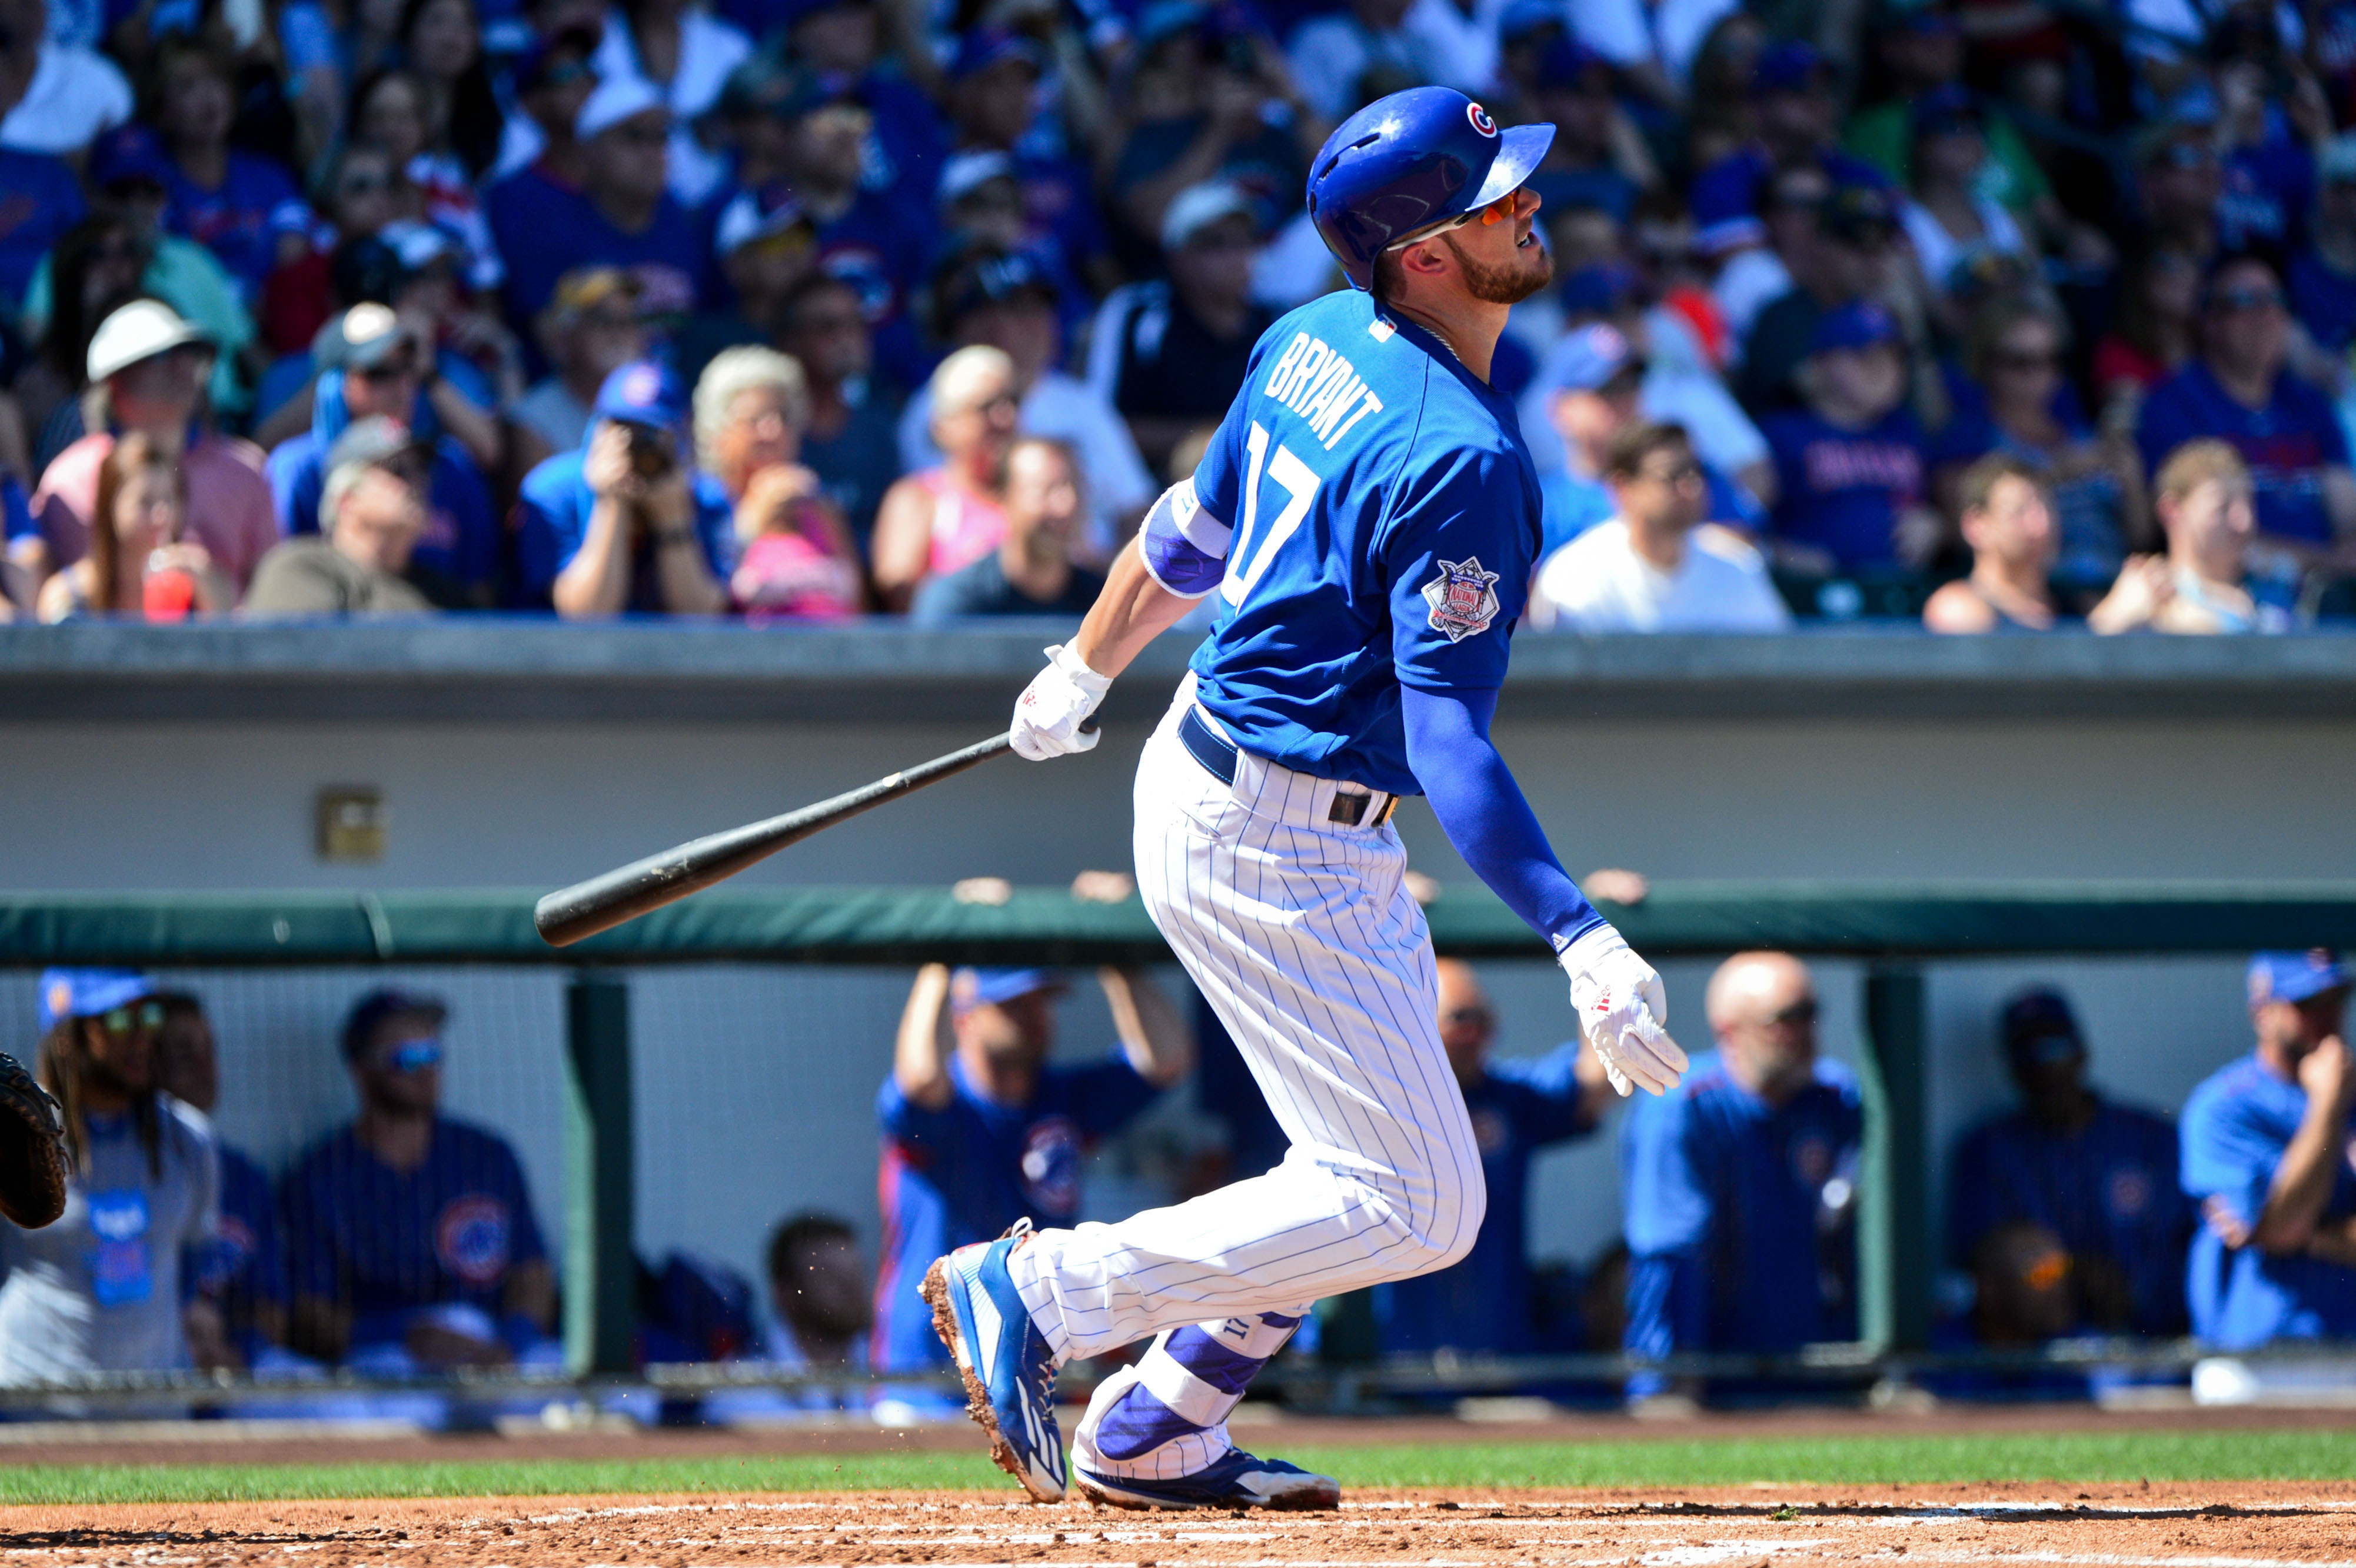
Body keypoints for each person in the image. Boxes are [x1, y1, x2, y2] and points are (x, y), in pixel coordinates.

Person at [944, 86, 1687, 1510]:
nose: (1530, 202)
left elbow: (1186, 537)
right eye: (1494, 197)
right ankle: (1043, 1283)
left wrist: (1085, 666)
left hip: (1224, 782)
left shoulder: (1311, 336)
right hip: (1276, 834)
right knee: (1425, 1201)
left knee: (1350, 1169)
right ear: (1420, 253)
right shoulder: (1460, 455)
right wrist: (1578, 933)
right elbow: (1451, 740)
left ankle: (1158, 1421)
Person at [874, 964, 1193, 1374]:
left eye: (1040, 1002)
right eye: (1012, 1004)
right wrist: (939, 965)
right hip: (930, 1372)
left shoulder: (1059, 1095)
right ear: (965, 1017)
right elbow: (919, 1082)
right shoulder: (947, 1104)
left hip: (1031, 1369)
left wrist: (1117, 960)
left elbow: (1167, 1059)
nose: (1034, 1016)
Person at [279, 988, 557, 1369]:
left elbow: (533, 1275)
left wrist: (511, 1343)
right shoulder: (318, 1177)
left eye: (433, 1054)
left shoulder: (487, 1155)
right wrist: (402, 1331)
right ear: (362, 1071)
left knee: (618, 1395)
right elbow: (312, 1316)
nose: (427, 1070)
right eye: (408, 1058)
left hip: (491, 1342)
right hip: (389, 1356)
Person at [1620, 953, 1861, 1381]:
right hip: (1713, 1373)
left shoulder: (1836, 1097)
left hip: (1819, 1365)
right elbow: (1669, 1250)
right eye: (1787, 1018)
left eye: (1811, 1015)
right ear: (1729, 1030)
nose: (1805, 1033)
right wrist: (1673, 1382)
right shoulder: (1684, 1103)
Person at [1375, 960, 1609, 1356]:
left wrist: (1598, 963)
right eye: (1461, 1018)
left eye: (1483, 1019)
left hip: (1495, 1351)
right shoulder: (1375, 1101)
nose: (1475, 1033)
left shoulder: (1508, 1098)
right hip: (1396, 1355)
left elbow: (1598, 1082)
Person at [0, 971, 218, 1386]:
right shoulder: (18, 1137)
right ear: (68, 1036)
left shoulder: (189, 1137)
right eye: (118, 1021)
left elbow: (194, 1262)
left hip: (156, 1412)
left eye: (148, 1016)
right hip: (35, 1409)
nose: (140, 1036)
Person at [1948, 988, 2190, 1340]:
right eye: (2026, 1056)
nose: (2043, 1066)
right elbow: (1988, 1266)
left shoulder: (2152, 1138)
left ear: (2081, 1052)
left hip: (2160, 1338)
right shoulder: (1988, 1150)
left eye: (2053, 1049)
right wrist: (2072, 1269)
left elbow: (2192, 1243)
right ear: (2012, 1070)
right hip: (2044, 1352)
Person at [897, 245, 1156, 554]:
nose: (1037, 323)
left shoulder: (1081, 402)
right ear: (973, 326)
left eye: (1042, 307)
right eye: (1017, 309)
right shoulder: (938, 409)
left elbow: (1133, 509)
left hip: (1090, 583)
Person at [27, 299, 278, 592]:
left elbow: (268, 592)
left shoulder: (245, 469)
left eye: (190, 352)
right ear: (114, 380)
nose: (182, 366)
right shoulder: (70, 479)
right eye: (161, 355)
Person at [263, 303, 501, 607]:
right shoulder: (299, 468)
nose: (400, 387)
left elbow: (478, 594)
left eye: (409, 370)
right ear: (336, 383)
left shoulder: (448, 463)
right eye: (379, 373)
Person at [2179, 952, 2356, 1349]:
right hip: (2257, 1356)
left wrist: (2314, 1237)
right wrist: (2327, 1104)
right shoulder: (2223, 1106)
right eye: (2307, 1004)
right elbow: (2281, 1227)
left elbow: (2293, 1230)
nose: (2327, 1016)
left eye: (2336, 999)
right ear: (2263, 1011)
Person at [2136, 255, 2356, 567]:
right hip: (2231, 588)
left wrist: (2345, 554)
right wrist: (2326, 562)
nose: (2266, 315)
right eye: (2244, 302)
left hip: (2328, 595)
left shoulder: (2309, 402)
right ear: (2210, 322)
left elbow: (2348, 516)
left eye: (2275, 301)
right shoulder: (2174, 404)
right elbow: (2199, 531)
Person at [492, 75, 711, 335]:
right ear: (588, 153)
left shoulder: (684, 220)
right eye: (635, 136)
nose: (652, 152)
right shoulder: (550, 231)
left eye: (660, 136)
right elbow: (550, 339)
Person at [1085, 182, 1275, 480]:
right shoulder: (1136, 315)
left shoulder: (1279, 319)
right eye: (1216, 243)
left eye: (1245, 240)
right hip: (1155, 489)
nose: (1236, 255)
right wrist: (1212, 440)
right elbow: (1104, 424)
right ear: (1178, 256)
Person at [515, 358, 733, 615]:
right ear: (598, 432)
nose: (638, 449)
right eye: (624, 431)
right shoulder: (552, 491)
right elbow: (588, 615)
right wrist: (611, 503)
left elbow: (702, 619)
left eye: (651, 435)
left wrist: (672, 520)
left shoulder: (707, 497)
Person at [1530, 420, 1789, 633]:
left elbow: (1775, 668)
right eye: (1674, 475)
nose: (1692, 487)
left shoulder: (1736, 567)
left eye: (1696, 471)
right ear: (1623, 488)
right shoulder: (1576, 575)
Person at [153, 992, 291, 1369]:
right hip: (142, 1366)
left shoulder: (244, 1177)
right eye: (184, 1055)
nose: (205, 1066)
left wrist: (231, 1352)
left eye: (209, 1050)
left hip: (235, 1366)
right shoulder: (116, 1171)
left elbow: (272, 1312)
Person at [1758, 301, 1938, 578]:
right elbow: (1743, 532)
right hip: (1811, 600)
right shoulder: (1780, 433)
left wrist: (1934, 526)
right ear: (1821, 363)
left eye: (1895, 357)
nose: (1885, 369)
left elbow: (1937, 509)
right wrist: (1786, 556)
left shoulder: (1907, 430)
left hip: (1897, 594)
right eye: (1866, 357)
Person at [697, 346, 862, 619]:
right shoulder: (703, 504)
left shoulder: (821, 510)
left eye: (784, 417)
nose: (774, 431)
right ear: (717, 432)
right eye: (756, 420)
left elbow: (857, 610)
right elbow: (709, 607)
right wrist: (755, 519)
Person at [870, 345, 1016, 612]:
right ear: (944, 425)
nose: (1005, 418)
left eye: (1011, 402)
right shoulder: (920, 498)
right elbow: (900, 593)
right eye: (987, 407)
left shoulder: (1044, 497)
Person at [245, 418, 438, 615]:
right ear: (347, 500)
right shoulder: (302, 568)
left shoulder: (440, 590)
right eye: (398, 470)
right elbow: (299, 644)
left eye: (422, 469)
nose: (417, 482)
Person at [2092, 440, 2286, 635]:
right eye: (2222, 508)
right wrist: (2121, 615)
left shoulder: (2276, 585)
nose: (2245, 523)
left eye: (2248, 502)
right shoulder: (2148, 592)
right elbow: (2090, 647)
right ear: (2172, 511)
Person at [35, 429, 232, 620]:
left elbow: (226, 640)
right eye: (145, 502)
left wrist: (206, 588)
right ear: (110, 507)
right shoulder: (70, 597)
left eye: (170, 500)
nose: (162, 514)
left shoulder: (197, 586)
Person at [911, 437, 1102, 622]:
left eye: (1073, 487)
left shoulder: (1101, 605)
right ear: (1004, 498)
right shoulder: (957, 604)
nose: (1066, 506)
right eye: (1046, 490)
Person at [774, 272, 900, 551]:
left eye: (855, 324)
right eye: (828, 327)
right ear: (791, 340)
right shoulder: (773, 434)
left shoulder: (878, 427)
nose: (846, 338)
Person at [510, 267, 647, 480]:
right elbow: (540, 510)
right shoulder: (535, 418)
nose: (618, 331)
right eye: (602, 320)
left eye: (628, 320)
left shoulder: (660, 402)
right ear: (564, 338)